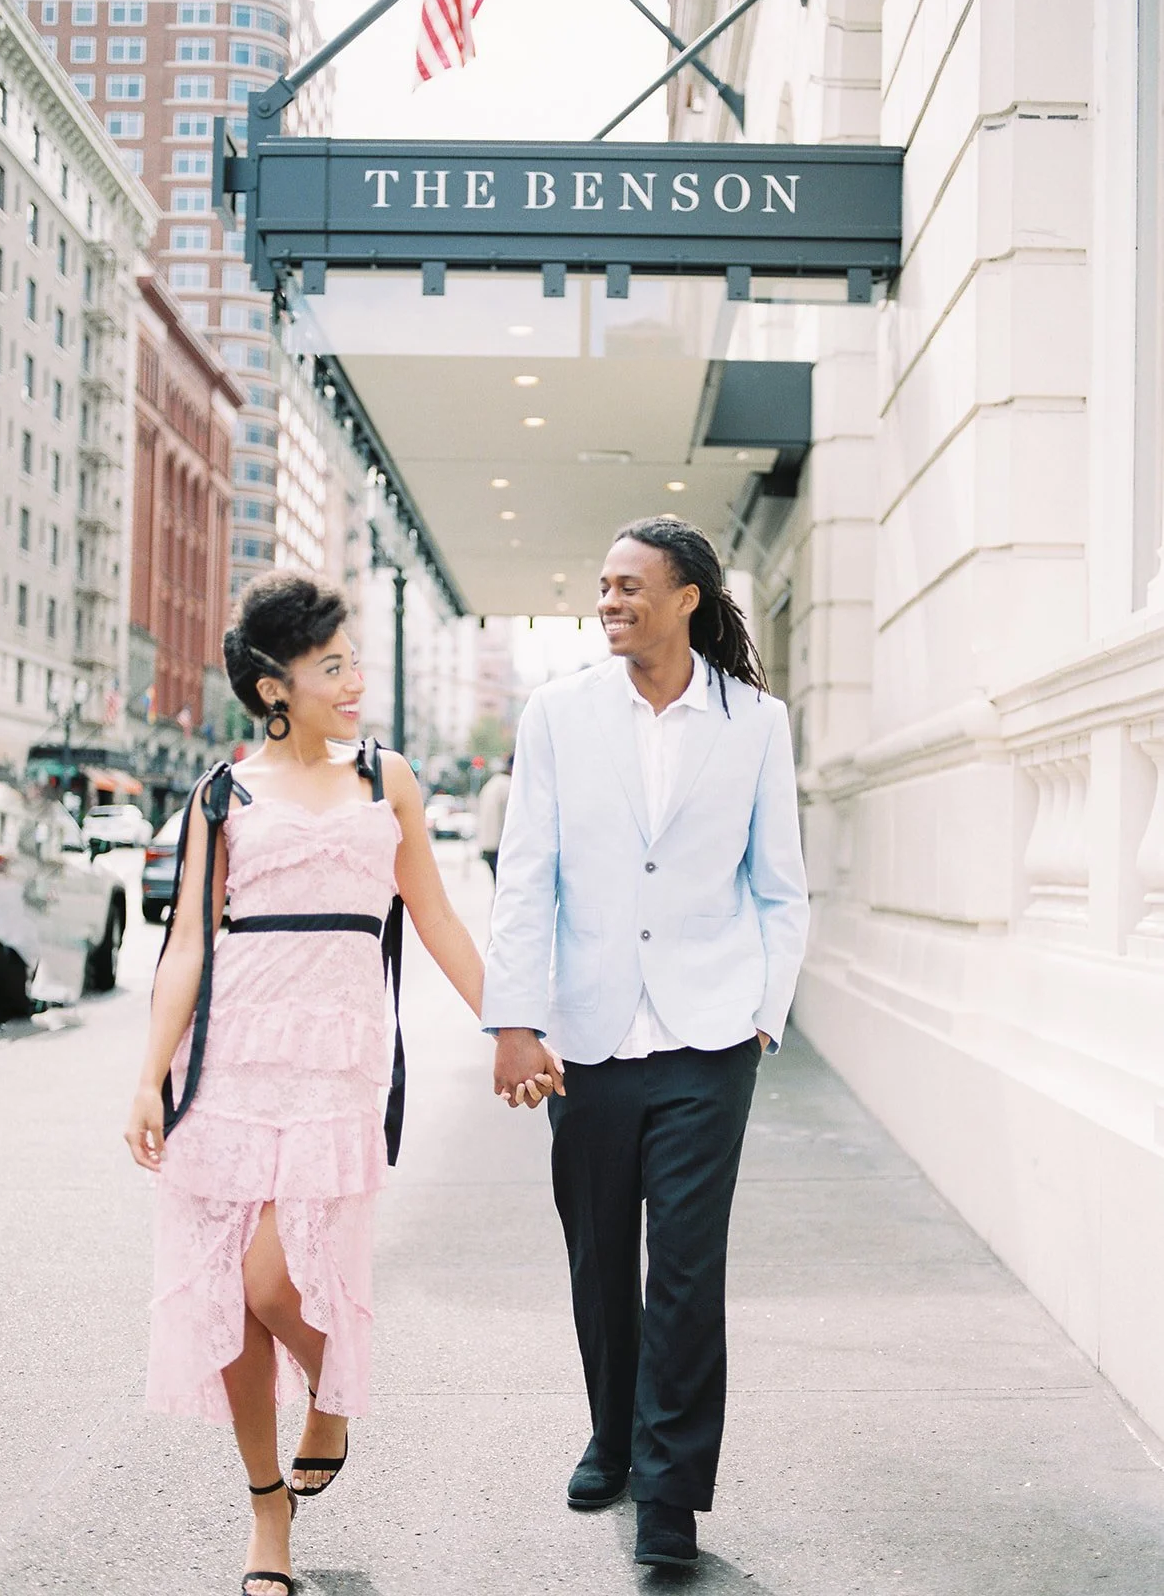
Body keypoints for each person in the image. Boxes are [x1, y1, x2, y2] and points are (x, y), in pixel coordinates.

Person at [123, 571, 556, 1596]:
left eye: (354, 658)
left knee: (277, 1279)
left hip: (333, 1063)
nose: (355, 679)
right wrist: (148, 1076)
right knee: (231, 1298)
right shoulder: (220, 795)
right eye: (332, 665)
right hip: (226, 1063)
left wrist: (513, 1025)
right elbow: (186, 943)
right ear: (275, 687)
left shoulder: (385, 779)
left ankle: (331, 1385)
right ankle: (266, 1518)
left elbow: (440, 920)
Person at [482, 517, 810, 1569]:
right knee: (597, 1258)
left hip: (709, 1034)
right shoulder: (556, 713)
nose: (609, 601)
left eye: (630, 585)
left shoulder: (755, 722)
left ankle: (670, 1496)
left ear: (688, 599)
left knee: (682, 1268)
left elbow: (780, 888)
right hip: (584, 1033)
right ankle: (612, 1432)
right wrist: (512, 1021)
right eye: (602, 585)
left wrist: (762, 1011)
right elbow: (525, 874)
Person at [476, 754, 513, 881]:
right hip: (499, 844)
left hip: (487, 843)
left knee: (497, 883)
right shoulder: (507, 786)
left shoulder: (492, 783)